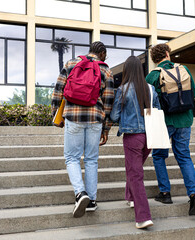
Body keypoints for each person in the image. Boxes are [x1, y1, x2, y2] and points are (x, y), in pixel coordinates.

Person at [51, 41, 114, 218]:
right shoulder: (106, 70)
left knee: (72, 157)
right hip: (95, 119)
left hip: (73, 116)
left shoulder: (71, 64)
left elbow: (58, 90)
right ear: (102, 53)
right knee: (91, 159)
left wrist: (56, 115)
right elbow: (109, 101)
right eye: (105, 55)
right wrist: (106, 128)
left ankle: (80, 193)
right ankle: (92, 201)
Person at [145, 43, 195, 215]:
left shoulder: (152, 76)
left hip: (164, 122)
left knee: (158, 155)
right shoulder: (183, 69)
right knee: (184, 156)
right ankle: (194, 194)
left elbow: (149, 103)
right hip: (185, 120)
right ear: (166, 53)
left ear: (153, 58)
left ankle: (165, 193)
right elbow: (192, 93)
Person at [110, 56, 159, 229]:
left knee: (135, 173)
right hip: (150, 136)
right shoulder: (151, 89)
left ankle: (143, 217)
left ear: (126, 70)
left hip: (133, 136)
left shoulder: (123, 89)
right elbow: (158, 111)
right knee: (134, 168)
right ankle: (130, 197)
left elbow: (115, 116)